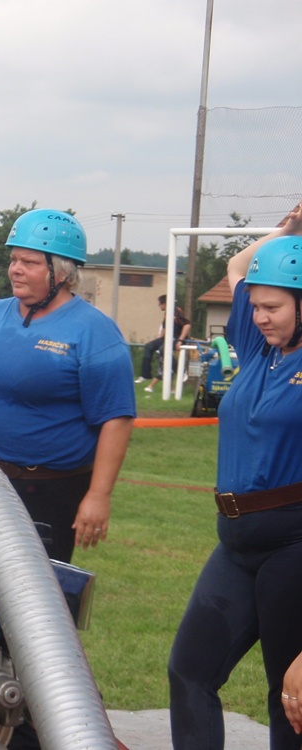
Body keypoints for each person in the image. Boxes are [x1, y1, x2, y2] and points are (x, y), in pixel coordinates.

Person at [0, 209, 135, 565]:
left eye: (29, 262)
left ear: (62, 273)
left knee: (30, 591)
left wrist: (99, 495)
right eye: (13, 260)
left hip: (47, 491)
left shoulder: (94, 331)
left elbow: (116, 419)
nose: (15, 269)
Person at [169, 206, 302, 749]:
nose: (260, 316)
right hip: (235, 542)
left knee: (290, 696)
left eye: (273, 307)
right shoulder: (258, 346)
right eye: (256, 306)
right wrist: (289, 232)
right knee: (189, 671)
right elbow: (239, 267)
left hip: (293, 544)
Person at [136, 294, 191, 393]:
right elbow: (165, 328)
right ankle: (145, 375)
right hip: (167, 337)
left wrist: (180, 340)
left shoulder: (176, 311)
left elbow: (187, 325)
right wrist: (158, 341)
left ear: (165, 304)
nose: (159, 306)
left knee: (164, 349)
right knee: (149, 346)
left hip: (177, 337)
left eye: (160, 304)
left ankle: (181, 371)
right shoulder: (167, 313)